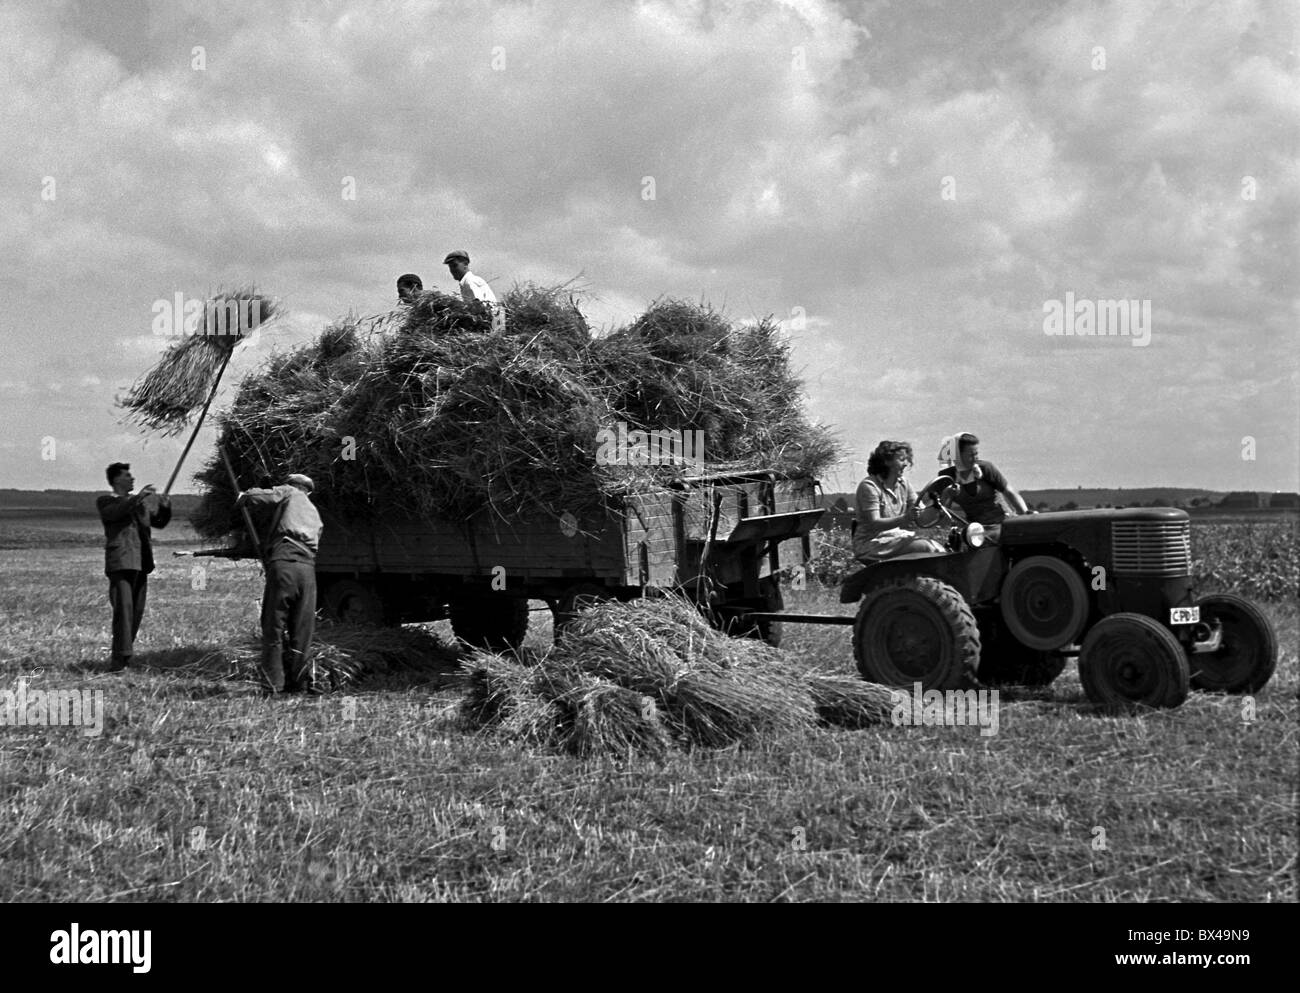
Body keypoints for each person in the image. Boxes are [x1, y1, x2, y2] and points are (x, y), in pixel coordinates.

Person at [236, 473, 324, 695]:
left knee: (274, 625)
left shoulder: (289, 492)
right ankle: (300, 684)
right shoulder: (314, 513)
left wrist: (245, 495)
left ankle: (273, 685)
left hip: (285, 561)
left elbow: (266, 496)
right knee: (301, 630)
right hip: (307, 569)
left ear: (293, 485)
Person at [96, 462, 171, 671]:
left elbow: (159, 522)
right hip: (120, 562)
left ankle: (125, 655)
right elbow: (116, 512)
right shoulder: (105, 501)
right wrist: (140, 497)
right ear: (116, 480)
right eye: (127, 476)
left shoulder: (138, 505)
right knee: (124, 610)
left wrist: (164, 505)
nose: (132, 478)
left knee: (136, 611)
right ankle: (119, 661)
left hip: (141, 563)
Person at [851, 441, 946, 563]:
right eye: (901, 459)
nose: (906, 464)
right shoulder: (869, 486)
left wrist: (943, 499)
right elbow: (874, 523)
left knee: (937, 548)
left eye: (907, 460)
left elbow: (923, 519)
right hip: (871, 545)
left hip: (894, 539)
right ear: (886, 461)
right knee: (927, 547)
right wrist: (905, 518)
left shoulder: (903, 484)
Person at [920, 432, 1033, 528]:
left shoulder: (986, 468)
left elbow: (1009, 492)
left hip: (1003, 523)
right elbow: (938, 511)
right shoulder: (947, 477)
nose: (975, 458)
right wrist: (946, 495)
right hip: (976, 531)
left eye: (976, 454)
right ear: (957, 456)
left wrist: (1026, 515)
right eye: (971, 455)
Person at [443, 249, 505, 331]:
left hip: (493, 322)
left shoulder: (470, 281)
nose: (452, 270)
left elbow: (479, 305)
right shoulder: (465, 283)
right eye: (450, 267)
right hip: (491, 321)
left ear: (465, 264)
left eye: (455, 265)